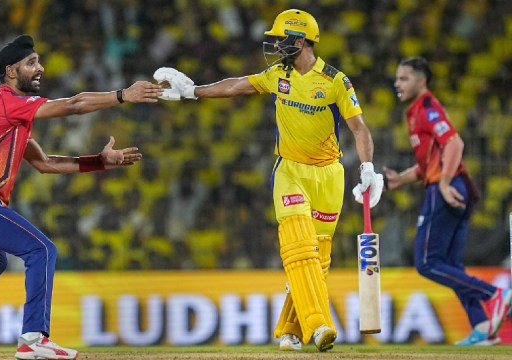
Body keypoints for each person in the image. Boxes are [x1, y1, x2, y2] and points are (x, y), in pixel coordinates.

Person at [0, 34, 162, 360]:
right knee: (42, 249)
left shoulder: (8, 112)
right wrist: (122, 95)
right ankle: (34, 339)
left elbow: (45, 164)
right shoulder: (9, 104)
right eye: (31, 63)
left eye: (39, 60)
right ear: (10, 71)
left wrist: (99, 162)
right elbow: (74, 105)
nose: (40, 68)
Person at [153, 9, 383, 352]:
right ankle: (319, 325)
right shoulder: (278, 74)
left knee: (317, 258)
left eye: (281, 40)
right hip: (289, 170)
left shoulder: (335, 80)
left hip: (329, 175)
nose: (276, 46)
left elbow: (359, 128)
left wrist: (367, 168)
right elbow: (236, 85)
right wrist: (193, 91)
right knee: (298, 248)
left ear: (300, 41)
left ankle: (290, 331)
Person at [385, 56, 512, 346]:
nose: (397, 83)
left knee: (427, 263)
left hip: (446, 188)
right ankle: (482, 326)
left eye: (404, 78)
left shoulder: (427, 108)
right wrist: (399, 180)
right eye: (396, 78)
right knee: (451, 264)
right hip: (456, 186)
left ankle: (496, 295)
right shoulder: (415, 112)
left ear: (421, 80)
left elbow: (454, 143)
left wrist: (442, 184)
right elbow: (427, 163)